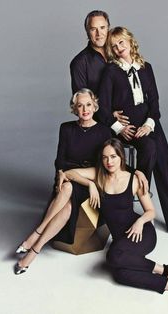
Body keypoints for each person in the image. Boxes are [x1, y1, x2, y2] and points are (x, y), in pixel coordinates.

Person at [14, 88, 147, 274]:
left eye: (88, 105)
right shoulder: (66, 128)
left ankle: (34, 240)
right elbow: (60, 160)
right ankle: (33, 251)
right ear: (74, 109)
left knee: (68, 194)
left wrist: (136, 171)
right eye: (80, 106)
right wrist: (61, 172)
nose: (85, 109)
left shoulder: (104, 131)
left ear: (95, 107)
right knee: (67, 191)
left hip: (91, 179)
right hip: (69, 176)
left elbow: (114, 159)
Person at [64, 138, 168, 300]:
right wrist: (90, 184)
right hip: (121, 238)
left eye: (113, 156)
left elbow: (150, 211)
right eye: (105, 157)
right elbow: (68, 173)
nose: (109, 161)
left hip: (142, 234)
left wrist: (140, 222)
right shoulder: (98, 175)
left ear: (121, 157)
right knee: (120, 274)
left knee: (114, 258)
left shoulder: (134, 179)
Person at [96, 26, 168, 240]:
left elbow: (154, 103)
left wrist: (150, 124)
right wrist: (118, 127)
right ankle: (141, 195)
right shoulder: (111, 71)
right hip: (127, 127)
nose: (118, 48)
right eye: (114, 46)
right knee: (149, 148)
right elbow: (103, 108)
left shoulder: (146, 67)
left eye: (121, 43)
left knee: (166, 167)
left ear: (130, 41)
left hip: (149, 124)